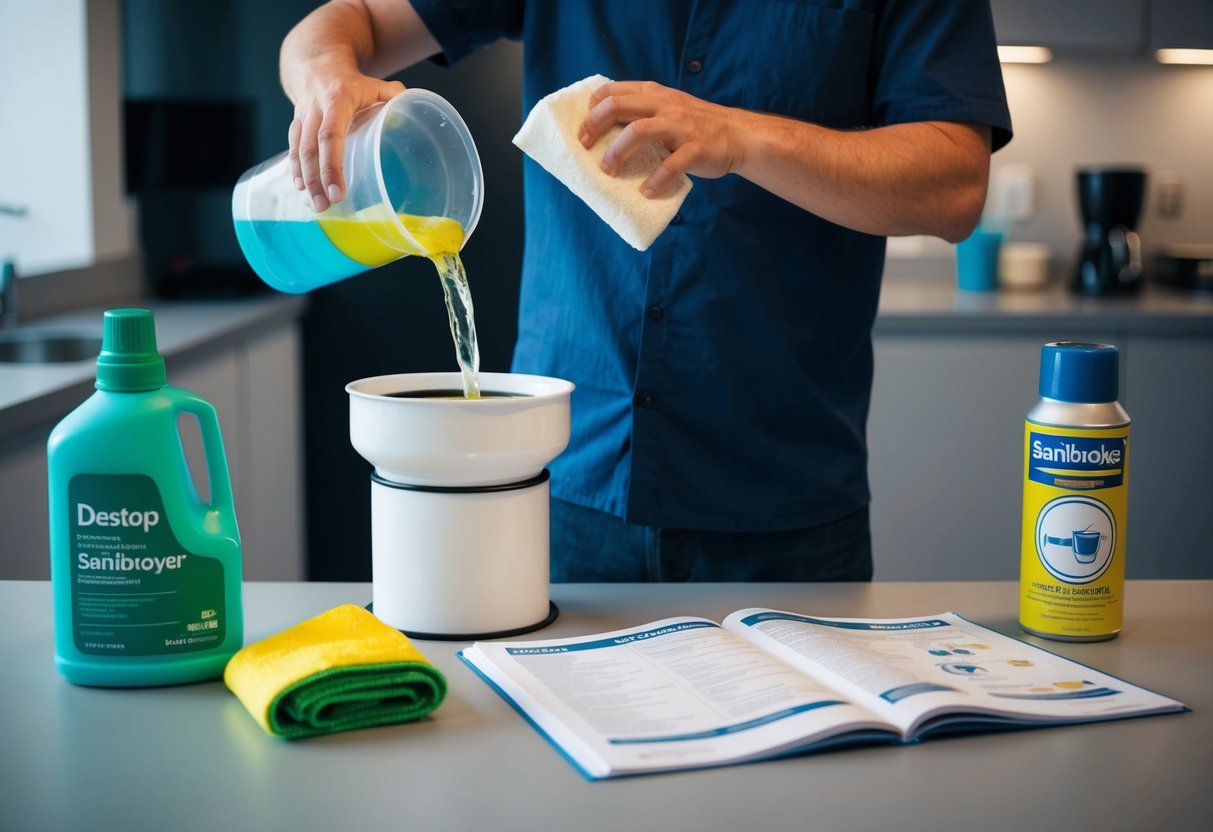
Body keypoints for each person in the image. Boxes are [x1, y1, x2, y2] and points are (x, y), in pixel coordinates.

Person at [280, 0, 1013, 582]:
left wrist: (741, 137)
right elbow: (353, 23)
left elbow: (953, 186)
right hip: (563, 488)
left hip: (787, 506)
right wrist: (321, 75)